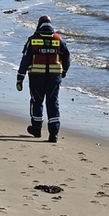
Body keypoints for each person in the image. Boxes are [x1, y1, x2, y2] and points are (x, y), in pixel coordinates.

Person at [16, 15, 70, 143]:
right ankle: (54, 134)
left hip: (37, 77)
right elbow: (67, 57)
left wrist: (20, 78)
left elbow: (25, 59)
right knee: (53, 102)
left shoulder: (33, 40)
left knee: (37, 101)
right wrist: (64, 71)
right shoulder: (58, 39)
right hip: (54, 78)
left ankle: (36, 129)